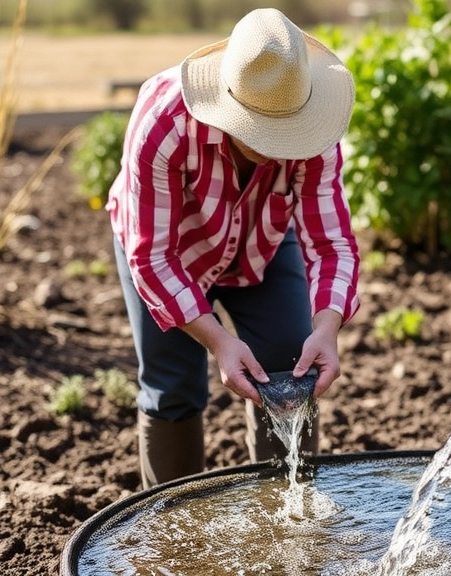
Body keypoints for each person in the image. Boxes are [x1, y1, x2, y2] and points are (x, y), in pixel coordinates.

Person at [106, 8, 360, 489]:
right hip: (169, 252)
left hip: (263, 240)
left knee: (289, 366)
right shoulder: (164, 124)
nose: (280, 146)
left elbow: (332, 244)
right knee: (173, 389)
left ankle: (285, 523)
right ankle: (174, 532)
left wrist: (328, 328)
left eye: (288, 132)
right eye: (263, 131)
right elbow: (152, 255)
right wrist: (219, 343)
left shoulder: (314, 132)